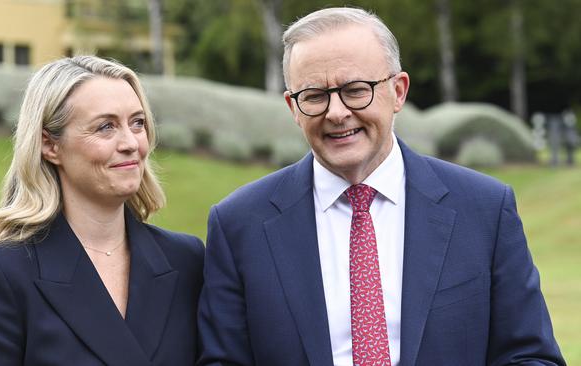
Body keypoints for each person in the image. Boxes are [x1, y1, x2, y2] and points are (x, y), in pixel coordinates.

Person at [197, 7, 565, 366]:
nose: (336, 112)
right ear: (293, 107)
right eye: (314, 96)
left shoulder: (484, 210)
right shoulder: (238, 226)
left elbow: (530, 356)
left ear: (398, 91)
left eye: (356, 90)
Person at [0, 56, 204, 366]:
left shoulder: (186, 260)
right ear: (49, 145)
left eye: (137, 123)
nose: (131, 143)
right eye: (105, 127)